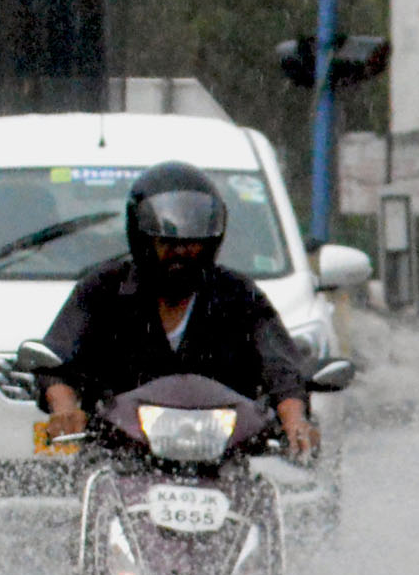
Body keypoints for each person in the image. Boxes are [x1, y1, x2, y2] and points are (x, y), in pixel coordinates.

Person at [35, 160, 317, 460]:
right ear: (142, 239)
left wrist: (293, 419)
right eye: (167, 243)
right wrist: (65, 408)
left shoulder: (238, 295)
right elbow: (58, 361)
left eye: (192, 244)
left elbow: (280, 365)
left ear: (211, 243)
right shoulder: (103, 289)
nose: (180, 253)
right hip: (117, 457)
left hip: (222, 460)